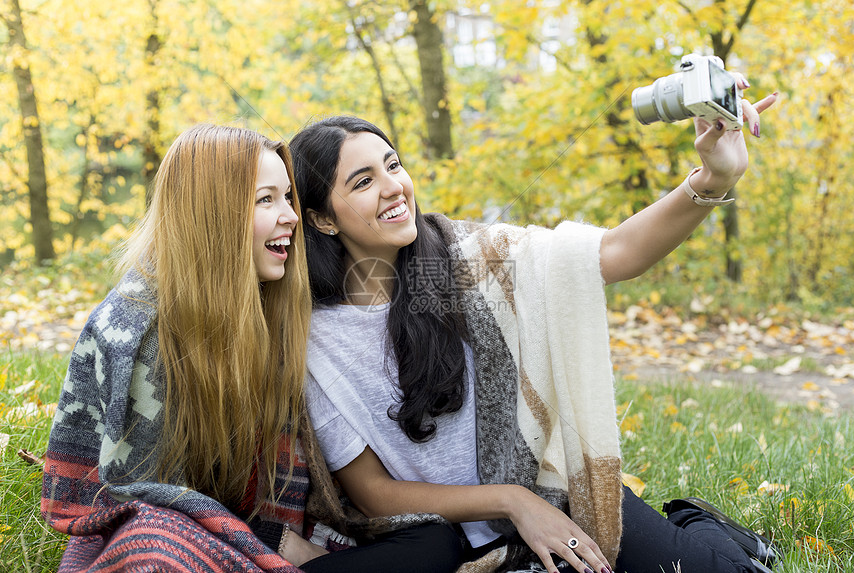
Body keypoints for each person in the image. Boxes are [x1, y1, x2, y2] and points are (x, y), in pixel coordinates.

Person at [289, 84, 781, 573]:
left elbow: (610, 255)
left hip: (553, 494)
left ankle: (696, 523)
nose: (394, 186)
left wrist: (713, 178)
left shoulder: (472, 258)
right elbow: (373, 494)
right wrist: (512, 503)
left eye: (393, 165)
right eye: (362, 182)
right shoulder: (316, 342)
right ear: (322, 219)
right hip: (454, 537)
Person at [41, 124, 461, 573]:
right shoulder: (138, 327)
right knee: (155, 550)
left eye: (288, 198)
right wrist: (267, 542)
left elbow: (296, 491)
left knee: (434, 542)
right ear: (212, 212)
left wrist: (278, 538)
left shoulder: (273, 308)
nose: (291, 217)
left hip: (257, 534)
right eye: (266, 200)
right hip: (176, 534)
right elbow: (136, 491)